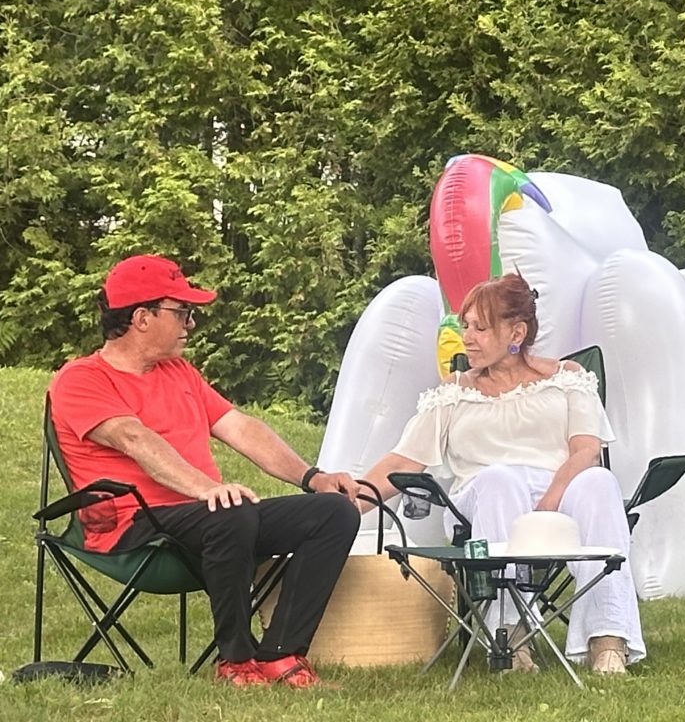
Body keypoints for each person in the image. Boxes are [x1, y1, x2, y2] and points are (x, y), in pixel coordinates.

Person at [49, 254, 362, 688]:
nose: (191, 324)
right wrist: (207, 489)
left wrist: (314, 478)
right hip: (133, 529)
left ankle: (281, 655)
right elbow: (135, 439)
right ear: (142, 318)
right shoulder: (81, 379)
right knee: (231, 510)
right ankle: (236, 661)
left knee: (334, 512)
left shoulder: (179, 372)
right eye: (182, 312)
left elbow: (241, 428)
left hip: (211, 521)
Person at [362, 273, 642, 676]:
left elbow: (586, 449)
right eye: (465, 326)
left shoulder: (567, 379)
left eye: (480, 328)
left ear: (517, 332)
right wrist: (344, 501)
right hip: (482, 496)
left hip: (556, 493)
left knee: (599, 482)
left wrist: (551, 499)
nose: (467, 338)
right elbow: (402, 462)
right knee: (500, 479)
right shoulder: (454, 392)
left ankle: (609, 640)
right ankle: (510, 636)